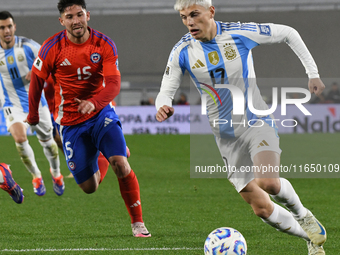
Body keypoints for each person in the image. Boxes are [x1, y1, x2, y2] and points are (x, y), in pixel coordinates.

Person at [155, 0, 326, 254]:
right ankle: (310, 239)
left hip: (256, 123)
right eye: (183, 17)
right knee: (262, 208)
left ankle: (303, 214)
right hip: (226, 138)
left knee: (268, 181)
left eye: (194, 14)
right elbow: (165, 90)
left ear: (211, 12)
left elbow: (289, 33)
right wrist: (163, 105)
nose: (189, 22)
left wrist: (312, 73)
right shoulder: (182, 50)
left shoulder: (239, 33)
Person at [26, 0, 150, 237]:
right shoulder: (51, 48)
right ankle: (103, 154)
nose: (76, 21)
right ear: (61, 21)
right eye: (69, 17)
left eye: (79, 15)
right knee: (89, 187)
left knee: (121, 164)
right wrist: (33, 115)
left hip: (101, 112)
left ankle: (138, 223)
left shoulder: (104, 44)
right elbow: (36, 81)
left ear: (88, 15)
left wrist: (95, 102)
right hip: (70, 122)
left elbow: (114, 84)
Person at [0, 11, 64, 196]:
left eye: (9, 26)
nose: (6, 30)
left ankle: (56, 174)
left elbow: (51, 60)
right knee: (20, 139)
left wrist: (38, 73)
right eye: (2, 27)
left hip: (36, 102)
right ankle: (36, 176)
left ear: (15, 27)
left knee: (49, 143)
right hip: (11, 104)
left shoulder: (28, 46)